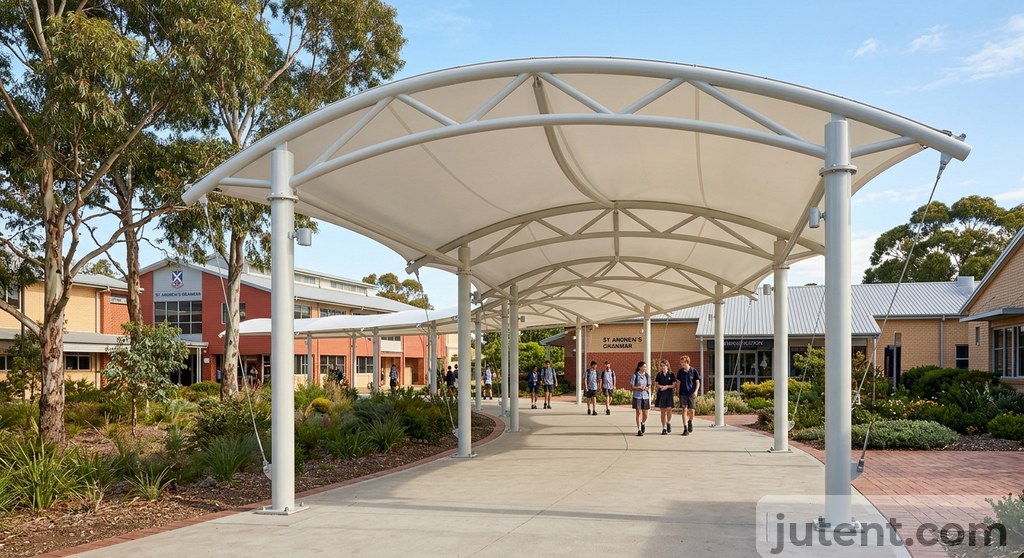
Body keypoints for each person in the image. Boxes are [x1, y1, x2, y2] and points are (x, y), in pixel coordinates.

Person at [677, 355, 701, 436]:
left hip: (691, 393)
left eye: (683, 362)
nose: (682, 364)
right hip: (682, 393)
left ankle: (690, 421)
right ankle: (685, 428)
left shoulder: (694, 371)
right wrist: (677, 392)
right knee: (684, 410)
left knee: (692, 410)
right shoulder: (680, 371)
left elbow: (697, 383)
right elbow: (678, 382)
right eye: (681, 362)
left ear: (687, 362)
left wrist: (696, 391)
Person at [654, 360, 676, 434]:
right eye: (661, 366)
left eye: (664, 366)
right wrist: (661, 386)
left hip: (669, 394)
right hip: (661, 394)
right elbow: (656, 384)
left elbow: (674, 385)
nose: (662, 367)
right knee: (663, 411)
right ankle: (664, 428)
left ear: (667, 366)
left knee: (669, 409)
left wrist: (667, 386)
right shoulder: (659, 374)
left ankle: (668, 422)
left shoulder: (671, 374)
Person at [630, 361, 651, 436]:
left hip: (645, 396)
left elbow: (649, 385)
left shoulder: (647, 375)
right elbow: (632, 387)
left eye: (645, 367)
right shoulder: (635, 375)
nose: (645, 368)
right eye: (643, 367)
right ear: (639, 367)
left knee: (645, 413)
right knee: (638, 412)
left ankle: (643, 423)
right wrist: (639, 387)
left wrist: (647, 388)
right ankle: (639, 429)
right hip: (637, 396)